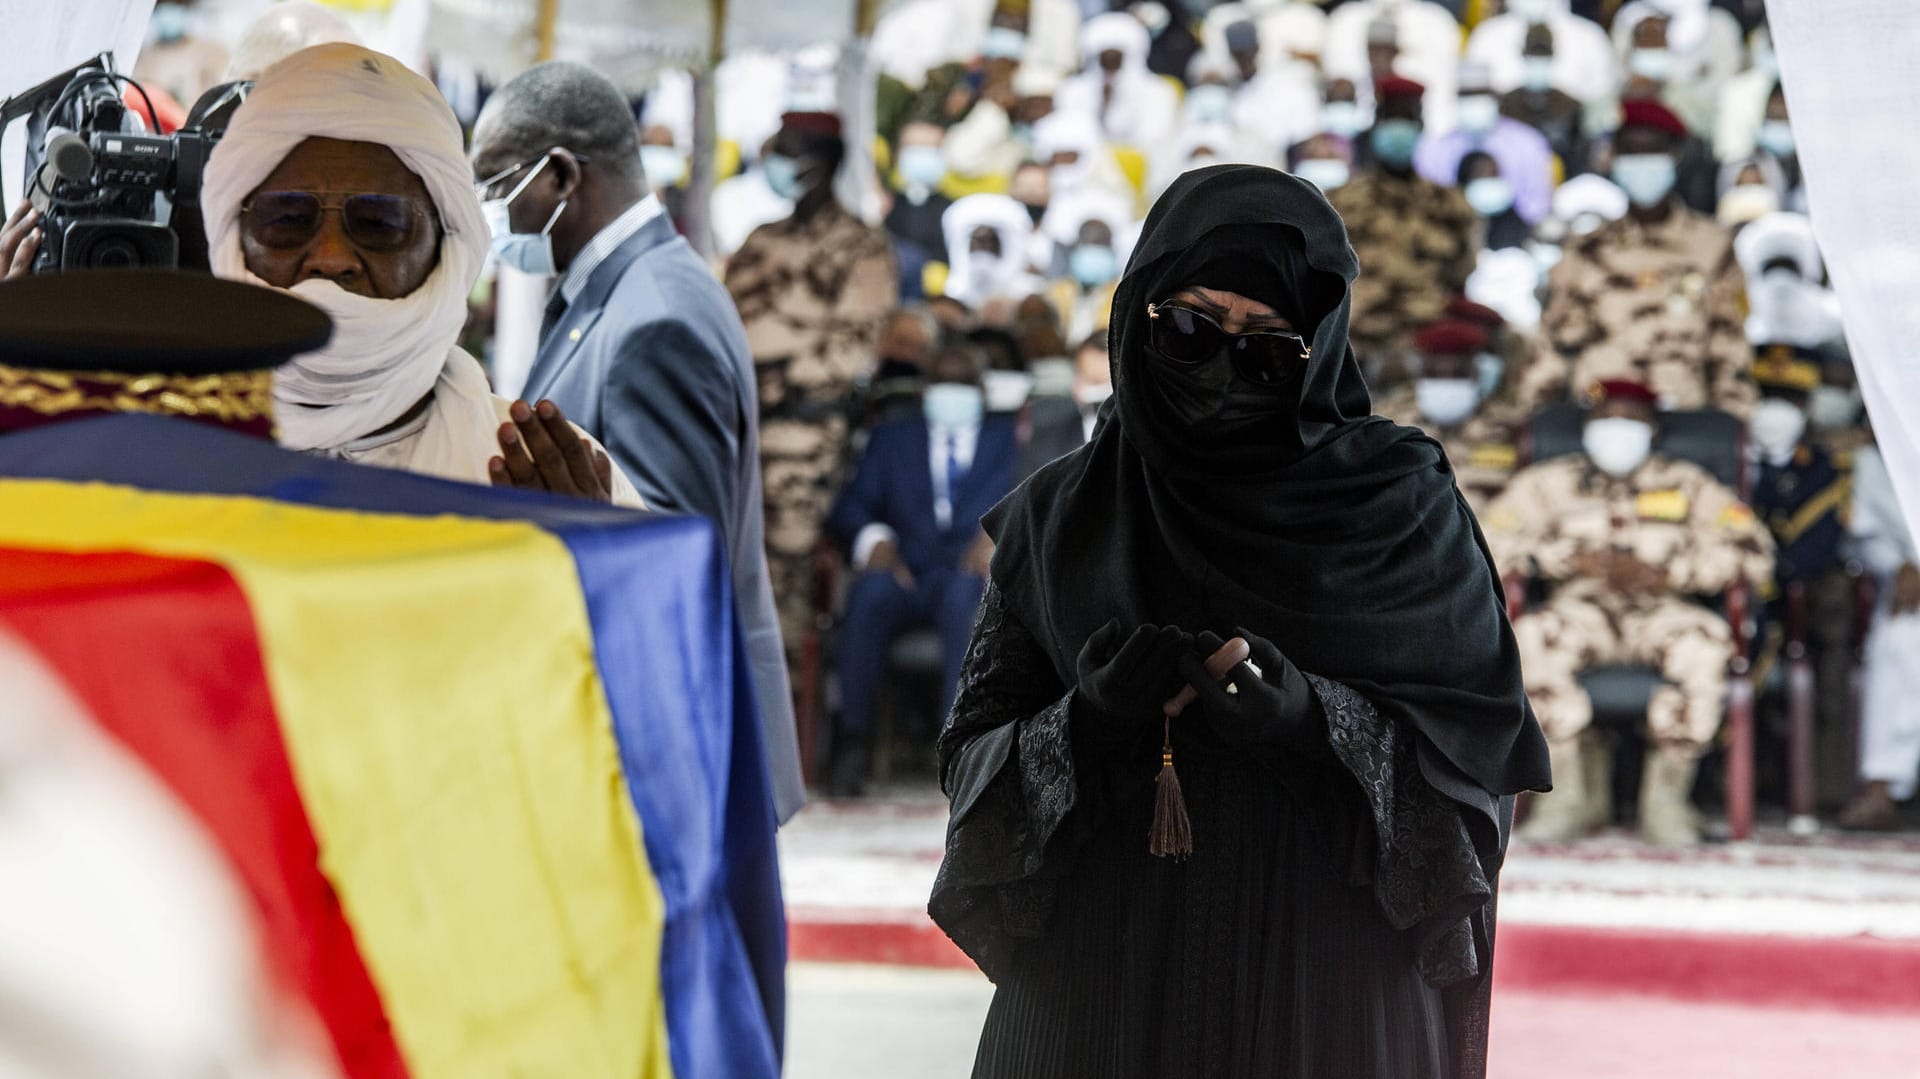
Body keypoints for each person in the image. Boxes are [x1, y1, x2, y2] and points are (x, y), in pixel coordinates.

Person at [931, 164, 1548, 1077]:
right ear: (1138, 314)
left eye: (1268, 351)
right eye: (1188, 328)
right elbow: (971, 760)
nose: (1221, 371)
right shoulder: (1061, 516)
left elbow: (1475, 780)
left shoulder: (1401, 512)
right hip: (1101, 978)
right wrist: (1085, 723)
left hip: (1325, 982)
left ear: (1321, 352)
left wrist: (1314, 723)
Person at [471, 61, 805, 821]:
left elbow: (683, 561)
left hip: (671, 744)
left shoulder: (655, 317)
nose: (492, 217)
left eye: (496, 188)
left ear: (558, 176)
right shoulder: (622, 291)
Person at [191, 44, 641, 504]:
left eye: (379, 224)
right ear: (235, 239)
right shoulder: (164, 463)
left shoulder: (550, 480)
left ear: (447, 248)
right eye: (286, 219)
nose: (329, 258)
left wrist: (595, 561)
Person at [1486, 379, 1775, 845]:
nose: (1616, 432)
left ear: (1654, 432)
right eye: (1604, 421)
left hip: (1663, 611)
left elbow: (1754, 551)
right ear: (1585, 429)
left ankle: (1666, 801)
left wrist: (1672, 572)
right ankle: (1568, 797)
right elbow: (1485, 543)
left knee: (1705, 644)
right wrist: (1563, 556)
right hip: (1579, 611)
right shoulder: (1546, 483)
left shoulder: (1690, 484)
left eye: (1631, 422)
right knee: (1532, 637)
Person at [725, 109, 900, 684]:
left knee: (785, 570)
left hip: (810, 439)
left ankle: (780, 697)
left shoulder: (864, 247)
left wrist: (774, 353)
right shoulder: (761, 241)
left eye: (786, 150)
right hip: (741, 429)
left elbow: (853, 348)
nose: (773, 161)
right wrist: (794, 335)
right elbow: (729, 326)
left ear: (818, 164)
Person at [825, 340, 1015, 797]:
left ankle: (959, 749)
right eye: (943, 383)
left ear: (981, 391)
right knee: (869, 594)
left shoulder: (1007, 440)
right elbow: (848, 508)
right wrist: (877, 540)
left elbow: (1037, 503)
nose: (952, 393)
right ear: (926, 389)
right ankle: (852, 742)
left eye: (962, 384)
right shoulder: (894, 437)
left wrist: (999, 537)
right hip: (904, 571)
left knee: (967, 603)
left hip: (967, 577)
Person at [1515, 100, 1753, 417]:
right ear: (1614, 158)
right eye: (1631, 153)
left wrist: (1733, 422)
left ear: (1676, 155)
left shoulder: (1713, 246)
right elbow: (1554, 344)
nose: (1642, 164)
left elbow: (1729, 343)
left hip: (1683, 417)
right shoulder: (1586, 249)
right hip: (1598, 415)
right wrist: (1535, 417)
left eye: (1653, 152)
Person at [1329, 76, 1478, 381]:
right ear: (1375, 127)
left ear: (1421, 127)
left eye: (1406, 120)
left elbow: (1460, 278)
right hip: (1355, 342)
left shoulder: (1449, 204)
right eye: (1390, 119)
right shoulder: (1339, 203)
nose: (1398, 131)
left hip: (1429, 346)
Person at [1838, 441, 1920, 830]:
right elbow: (1866, 539)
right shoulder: (1875, 458)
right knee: (1897, 638)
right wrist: (1904, 565)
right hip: (1909, 587)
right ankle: (1881, 789)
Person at [1376, 318, 1522, 516]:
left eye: (1458, 373)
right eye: (1435, 373)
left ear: (1476, 372)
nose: (1446, 382)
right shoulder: (1389, 423)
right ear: (1420, 372)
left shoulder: (1509, 425)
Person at [1414, 63, 1555, 225]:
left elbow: (1539, 207)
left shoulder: (1528, 143)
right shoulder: (1434, 148)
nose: (1474, 102)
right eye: (1467, 95)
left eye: (1481, 94)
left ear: (1495, 98)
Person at [1055, 12, 1180, 152]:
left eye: (1116, 59)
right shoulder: (1073, 89)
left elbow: (1154, 137)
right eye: (1104, 59)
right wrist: (1102, 104)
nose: (1110, 67)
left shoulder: (1158, 90)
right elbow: (1070, 136)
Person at [1497, 22, 1595, 177]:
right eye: (1533, 53)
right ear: (1523, 53)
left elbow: (1580, 159)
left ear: (1553, 55)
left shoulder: (1572, 106)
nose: (1537, 60)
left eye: (1543, 54)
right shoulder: (1504, 103)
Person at [1020, 327, 1111, 477]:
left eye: (1105, 385)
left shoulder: (1143, 432)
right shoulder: (1047, 431)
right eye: (1089, 381)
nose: (1097, 394)